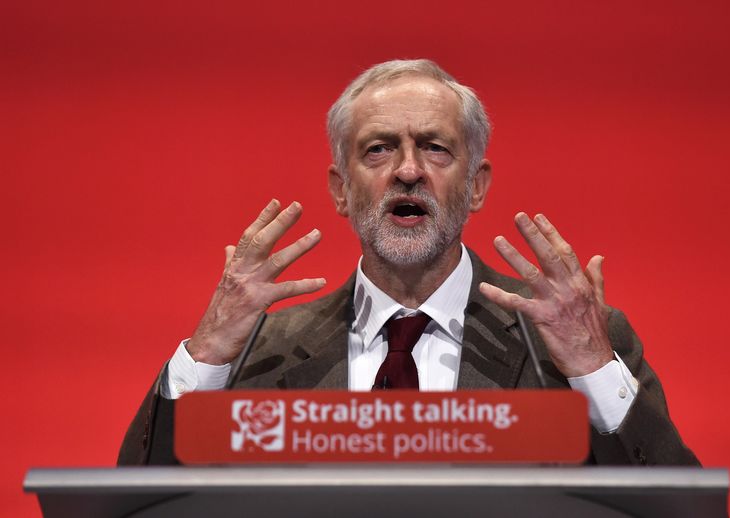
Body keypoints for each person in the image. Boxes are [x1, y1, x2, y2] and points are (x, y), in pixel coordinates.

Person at [119, 59, 698, 466]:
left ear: (475, 186)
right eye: (379, 148)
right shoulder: (259, 352)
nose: (408, 170)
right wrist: (209, 354)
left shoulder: (571, 345)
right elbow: (141, 499)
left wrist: (595, 369)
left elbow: (678, 507)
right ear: (341, 189)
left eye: (435, 146)